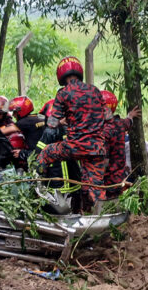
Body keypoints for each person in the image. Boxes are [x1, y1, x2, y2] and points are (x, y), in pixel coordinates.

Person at [38, 57, 106, 212]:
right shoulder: (95, 90)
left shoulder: (63, 93)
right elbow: (107, 115)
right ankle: (96, 215)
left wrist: (62, 122)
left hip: (75, 146)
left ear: (61, 75)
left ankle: (36, 187)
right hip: (97, 148)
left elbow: (52, 123)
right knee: (93, 184)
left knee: (45, 153)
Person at [100, 90, 141, 198]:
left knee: (107, 205)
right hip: (119, 177)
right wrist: (131, 116)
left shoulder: (104, 131)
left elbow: (105, 160)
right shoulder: (119, 123)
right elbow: (128, 122)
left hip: (108, 180)